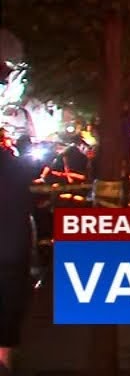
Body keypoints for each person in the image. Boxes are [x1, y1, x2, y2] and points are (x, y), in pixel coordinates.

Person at [1, 134, 35, 370]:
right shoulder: (17, 168)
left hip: (12, 248)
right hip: (12, 251)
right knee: (9, 310)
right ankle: (4, 360)